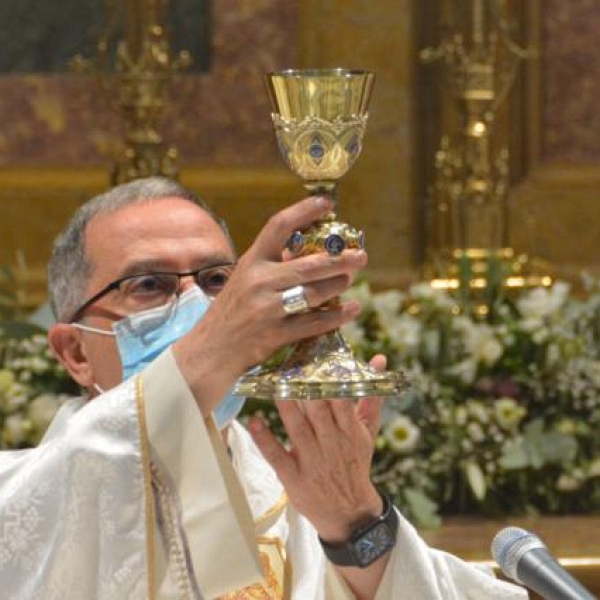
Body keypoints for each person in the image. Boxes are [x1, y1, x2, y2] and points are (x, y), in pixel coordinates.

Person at [0, 177, 527, 599]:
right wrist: (209, 352)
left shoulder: (296, 499)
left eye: (216, 283)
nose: (204, 314)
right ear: (74, 352)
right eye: (149, 285)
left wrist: (356, 527)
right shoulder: (25, 498)